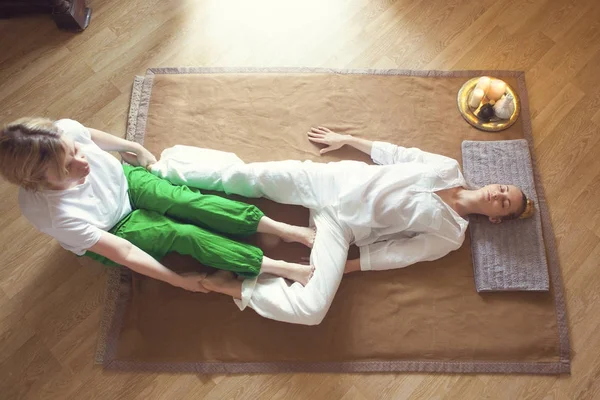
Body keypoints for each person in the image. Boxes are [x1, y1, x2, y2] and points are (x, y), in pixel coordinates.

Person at [150, 126, 535, 325]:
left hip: (343, 226)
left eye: (504, 202)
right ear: (492, 182)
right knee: (245, 178)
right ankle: (162, 170)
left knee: (313, 309)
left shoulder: (451, 236)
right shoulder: (447, 168)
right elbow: (398, 154)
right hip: (329, 181)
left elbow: (397, 254)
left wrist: (341, 268)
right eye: (502, 188)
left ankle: (234, 287)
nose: (497, 195)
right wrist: (346, 139)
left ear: (496, 217)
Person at [0, 118, 317, 293]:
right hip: (112, 227)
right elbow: (123, 252)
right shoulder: (55, 215)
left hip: (124, 181)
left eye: (76, 152)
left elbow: (88, 135)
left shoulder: (65, 132)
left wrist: (133, 146)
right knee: (182, 234)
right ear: (38, 180)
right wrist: (178, 281)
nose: (82, 164)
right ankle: (281, 268)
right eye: (67, 168)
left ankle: (284, 230)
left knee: (186, 200)